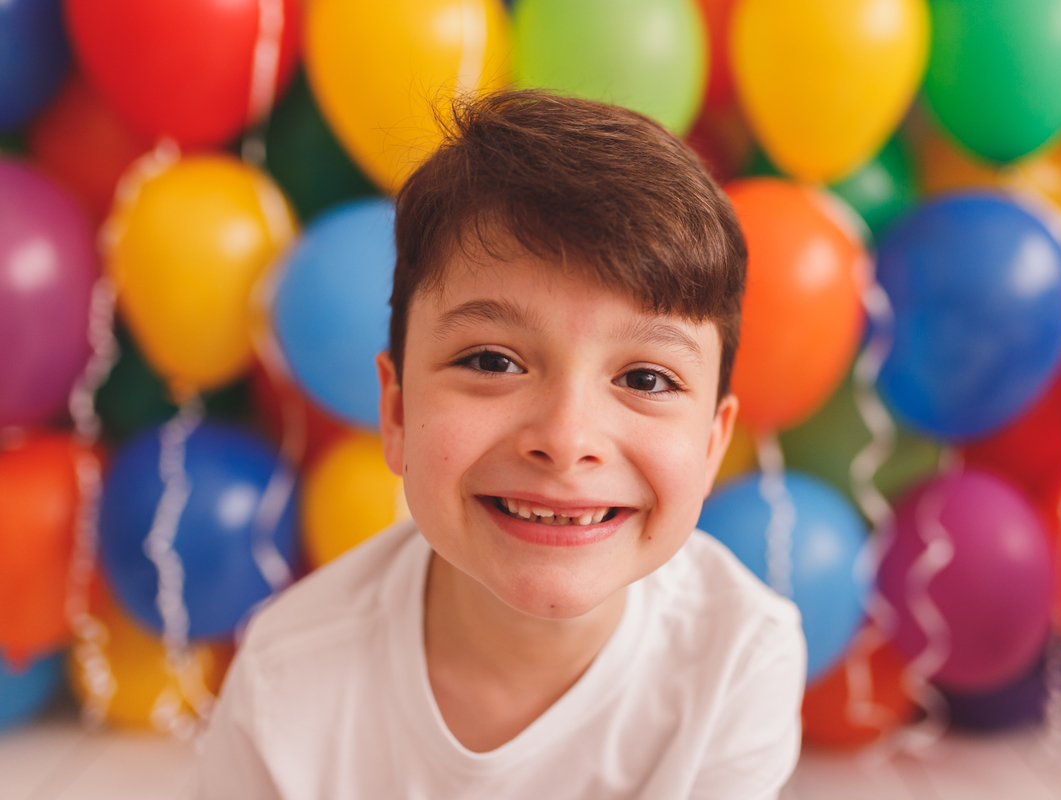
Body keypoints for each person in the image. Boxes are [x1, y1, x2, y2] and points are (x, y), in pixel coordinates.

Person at [195, 89, 805, 799]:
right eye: (492, 362)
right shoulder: (287, 684)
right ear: (395, 414)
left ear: (710, 446)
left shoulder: (740, 657)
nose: (566, 438)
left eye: (645, 377)